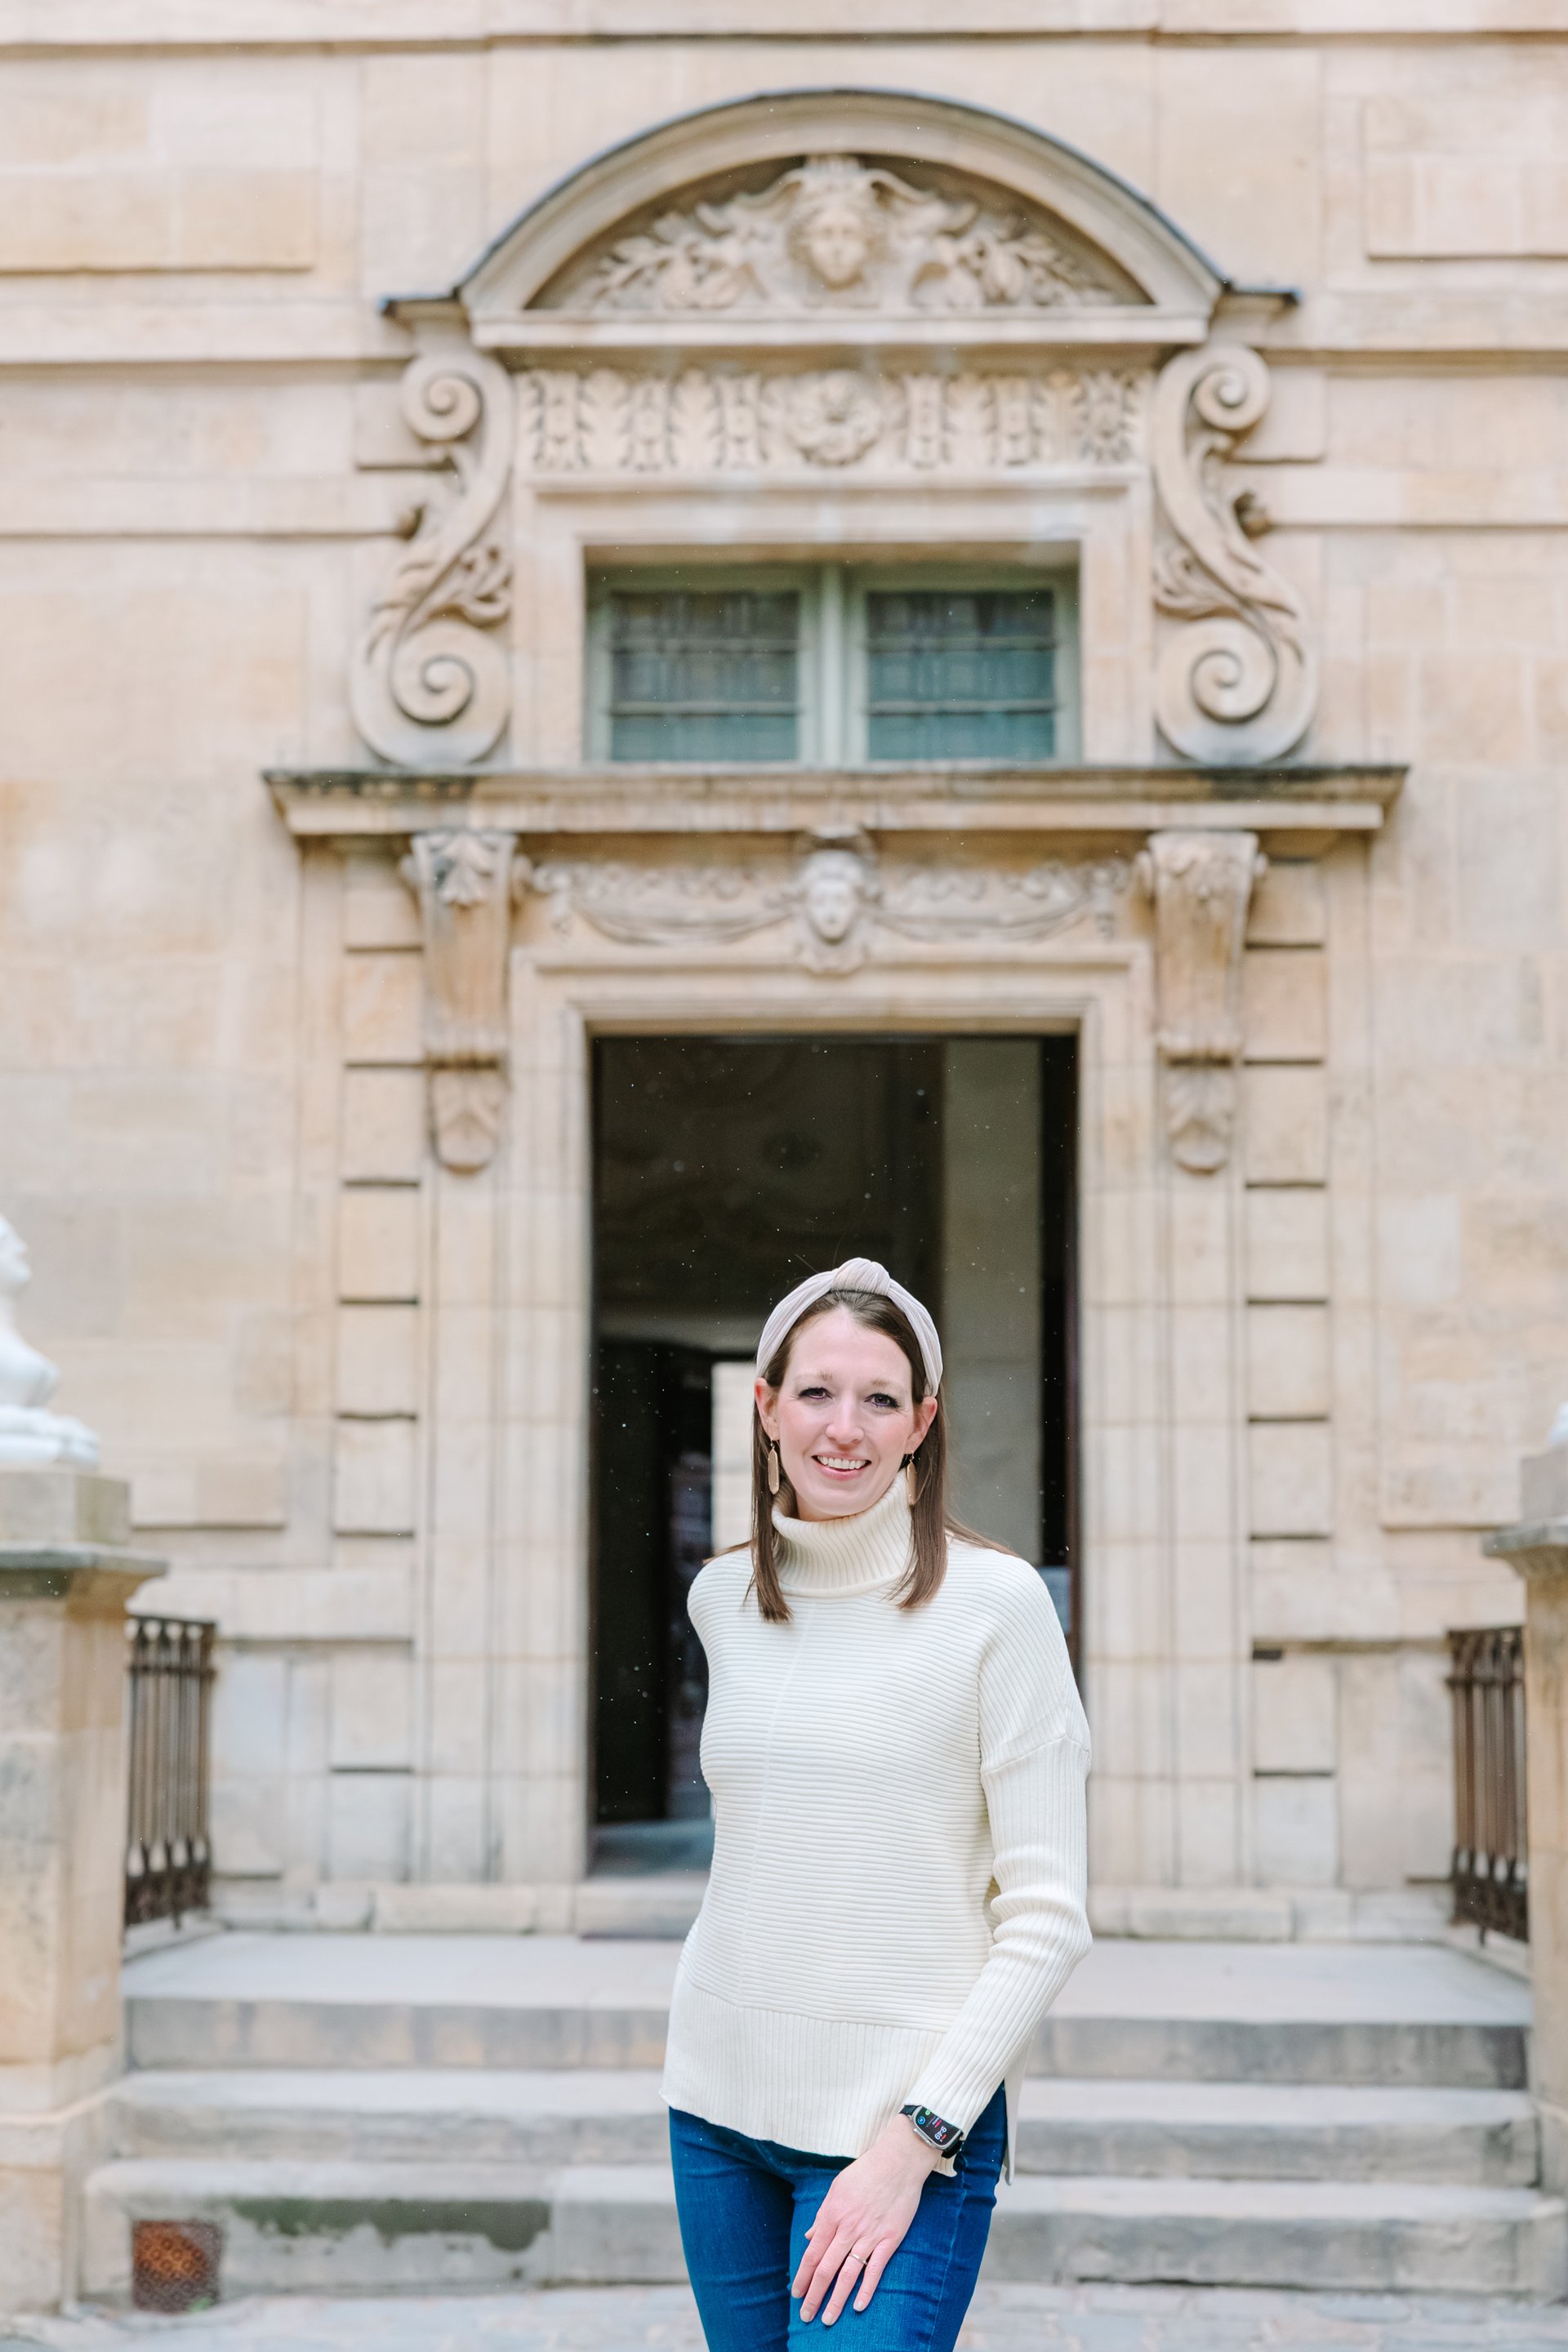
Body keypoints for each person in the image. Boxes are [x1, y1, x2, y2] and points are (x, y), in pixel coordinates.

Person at [662, 1256, 1091, 2348]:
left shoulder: (997, 1606)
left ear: (921, 1424)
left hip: (905, 2130)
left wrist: (914, 2141)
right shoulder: (723, 1597)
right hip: (716, 2112)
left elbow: (1047, 1919)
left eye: (880, 1400)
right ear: (766, 1407)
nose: (843, 1428)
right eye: (815, 1392)